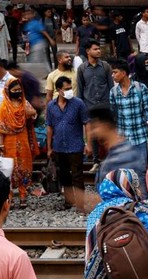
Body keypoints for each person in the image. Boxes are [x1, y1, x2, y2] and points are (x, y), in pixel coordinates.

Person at [108, 59, 148, 189]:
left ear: (123, 73)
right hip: (122, 138)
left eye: (115, 72)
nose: (113, 75)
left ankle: (143, 200)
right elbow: (114, 115)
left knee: (140, 171)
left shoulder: (141, 88)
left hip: (139, 137)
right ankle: (129, 201)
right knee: (124, 172)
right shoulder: (113, 92)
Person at [46, 76, 89, 211]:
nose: (70, 91)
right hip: (59, 146)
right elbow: (49, 127)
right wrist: (49, 147)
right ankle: (69, 201)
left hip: (75, 145)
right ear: (59, 90)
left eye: (70, 88)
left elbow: (86, 123)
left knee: (77, 176)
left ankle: (81, 204)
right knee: (64, 175)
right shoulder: (51, 106)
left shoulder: (78, 104)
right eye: (67, 89)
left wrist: (88, 143)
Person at [0, 79, 38, 209]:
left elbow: (33, 114)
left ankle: (23, 195)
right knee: (9, 170)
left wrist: (30, 112)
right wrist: (1, 146)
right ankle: (10, 198)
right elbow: (1, 128)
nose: (17, 92)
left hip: (23, 140)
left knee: (24, 167)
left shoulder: (24, 103)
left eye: (19, 90)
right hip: (8, 142)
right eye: (14, 90)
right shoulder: (3, 107)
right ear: (8, 91)